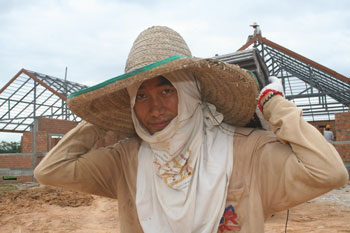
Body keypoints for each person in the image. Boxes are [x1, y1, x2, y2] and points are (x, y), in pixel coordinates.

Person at [34, 26, 348, 233]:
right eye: (140, 96)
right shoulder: (124, 161)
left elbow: (329, 173)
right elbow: (51, 171)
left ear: (191, 94)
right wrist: (100, 117)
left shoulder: (247, 150)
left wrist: (275, 105)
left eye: (166, 90)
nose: (154, 108)